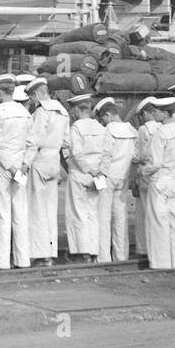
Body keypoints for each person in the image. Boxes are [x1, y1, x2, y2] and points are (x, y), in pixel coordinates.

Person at [23, 77, 70, 266]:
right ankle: (51, 251)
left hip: (40, 160)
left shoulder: (42, 112)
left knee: (37, 208)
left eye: (32, 97)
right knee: (51, 208)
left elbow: (35, 140)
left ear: (35, 94)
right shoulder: (63, 111)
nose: (33, 102)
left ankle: (40, 253)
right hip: (54, 160)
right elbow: (67, 141)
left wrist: (25, 163)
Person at [0, 74, 31, 270]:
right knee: (20, 213)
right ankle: (22, 259)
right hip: (21, 166)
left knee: (2, 213)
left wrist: (10, 166)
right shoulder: (24, 112)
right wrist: (24, 165)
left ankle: (1, 260)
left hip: (3, 167)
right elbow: (32, 142)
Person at [136, 97, 175, 269]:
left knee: (158, 221)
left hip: (160, 181)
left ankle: (161, 262)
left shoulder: (161, 132)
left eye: (156, 111)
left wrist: (142, 171)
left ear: (165, 113)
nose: (154, 114)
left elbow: (155, 163)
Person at [64, 94, 107, 263]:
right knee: (93, 213)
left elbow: (76, 153)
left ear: (77, 109)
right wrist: (98, 171)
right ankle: (94, 250)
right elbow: (107, 152)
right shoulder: (100, 127)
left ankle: (82, 252)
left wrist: (88, 170)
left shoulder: (77, 127)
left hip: (80, 173)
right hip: (97, 175)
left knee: (78, 212)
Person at [96, 97, 136, 263]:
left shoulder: (108, 131)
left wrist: (100, 174)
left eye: (103, 118)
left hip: (108, 177)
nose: (103, 122)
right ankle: (121, 256)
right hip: (123, 176)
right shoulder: (131, 130)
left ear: (108, 115)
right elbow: (135, 155)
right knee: (121, 218)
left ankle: (103, 257)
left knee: (103, 218)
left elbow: (105, 155)